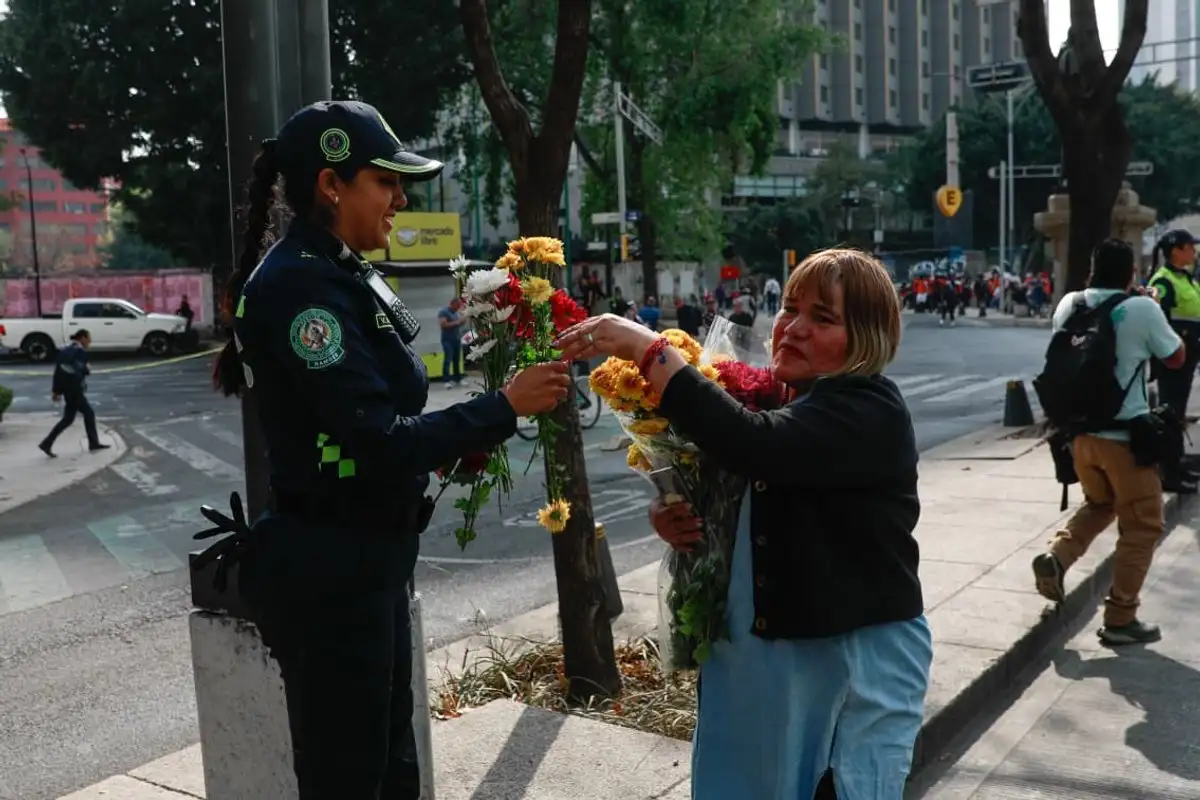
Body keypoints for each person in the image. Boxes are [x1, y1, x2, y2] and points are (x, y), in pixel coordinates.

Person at [210, 99, 570, 800]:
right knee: (350, 778)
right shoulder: (298, 287)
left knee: (392, 768)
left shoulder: (341, 268)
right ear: (331, 184)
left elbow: (384, 410)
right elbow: (374, 442)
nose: (402, 199)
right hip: (332, 574)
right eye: (387, 182)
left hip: (369, 565)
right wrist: (502, 406)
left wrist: (454, 438)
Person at [556, 248, 929, 799]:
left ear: (866, 338)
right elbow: (750, 488)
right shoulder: (787, 399)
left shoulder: (869, 409)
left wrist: (648, 349)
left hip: (849, 662)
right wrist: (676, 512)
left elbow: (755, 444)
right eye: (790, 309)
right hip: (760, 662)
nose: (793, 328)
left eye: (822, 318)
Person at [1033, 238, 1186, 645]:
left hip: (1079, 439)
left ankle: (1057, 556)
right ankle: (1120, 618)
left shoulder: (1070, 305)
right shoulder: (1141, 308)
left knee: (1101, 504)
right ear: (1131, 272)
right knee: (1143, 525)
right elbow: (1176, 357)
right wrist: (1149, 305)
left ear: (1091, 269)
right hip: (1125, 441)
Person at [1148, 228, 1200, 491]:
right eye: (1190, 246)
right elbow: (1157, 319)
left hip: (1187, 355)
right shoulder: (1163, 281)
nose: (1194, 251)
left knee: (1177, 413)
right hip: (1172, 358)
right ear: (1176, 250)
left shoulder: (1186, 278)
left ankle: (1177, 465)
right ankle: (1168, 472)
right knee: (1169, 413)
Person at [39, 329, 110, 457]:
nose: (90, 341)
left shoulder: (66, 350)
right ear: (82, 338)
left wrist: (56, 391)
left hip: (68, 390)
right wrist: (86, 369)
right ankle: (93, 443)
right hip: (75, 390)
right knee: (88, 413)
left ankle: (47, 443)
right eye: (88, 338)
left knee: (68, 419)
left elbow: (59, 373)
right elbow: (79, 369)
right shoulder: (79, 352)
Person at [437, 295, 466, 387]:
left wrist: (462, 321)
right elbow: (443, 325)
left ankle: (457, 379)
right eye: (457, 305)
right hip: (447, 340)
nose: (458, 307)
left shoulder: (456, 313)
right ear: (452, 303)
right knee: (448, 360)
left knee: (457, 360)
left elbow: (457, 324)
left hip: (456, 339)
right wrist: (458, 322)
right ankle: (446, 380)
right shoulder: (444, 312)